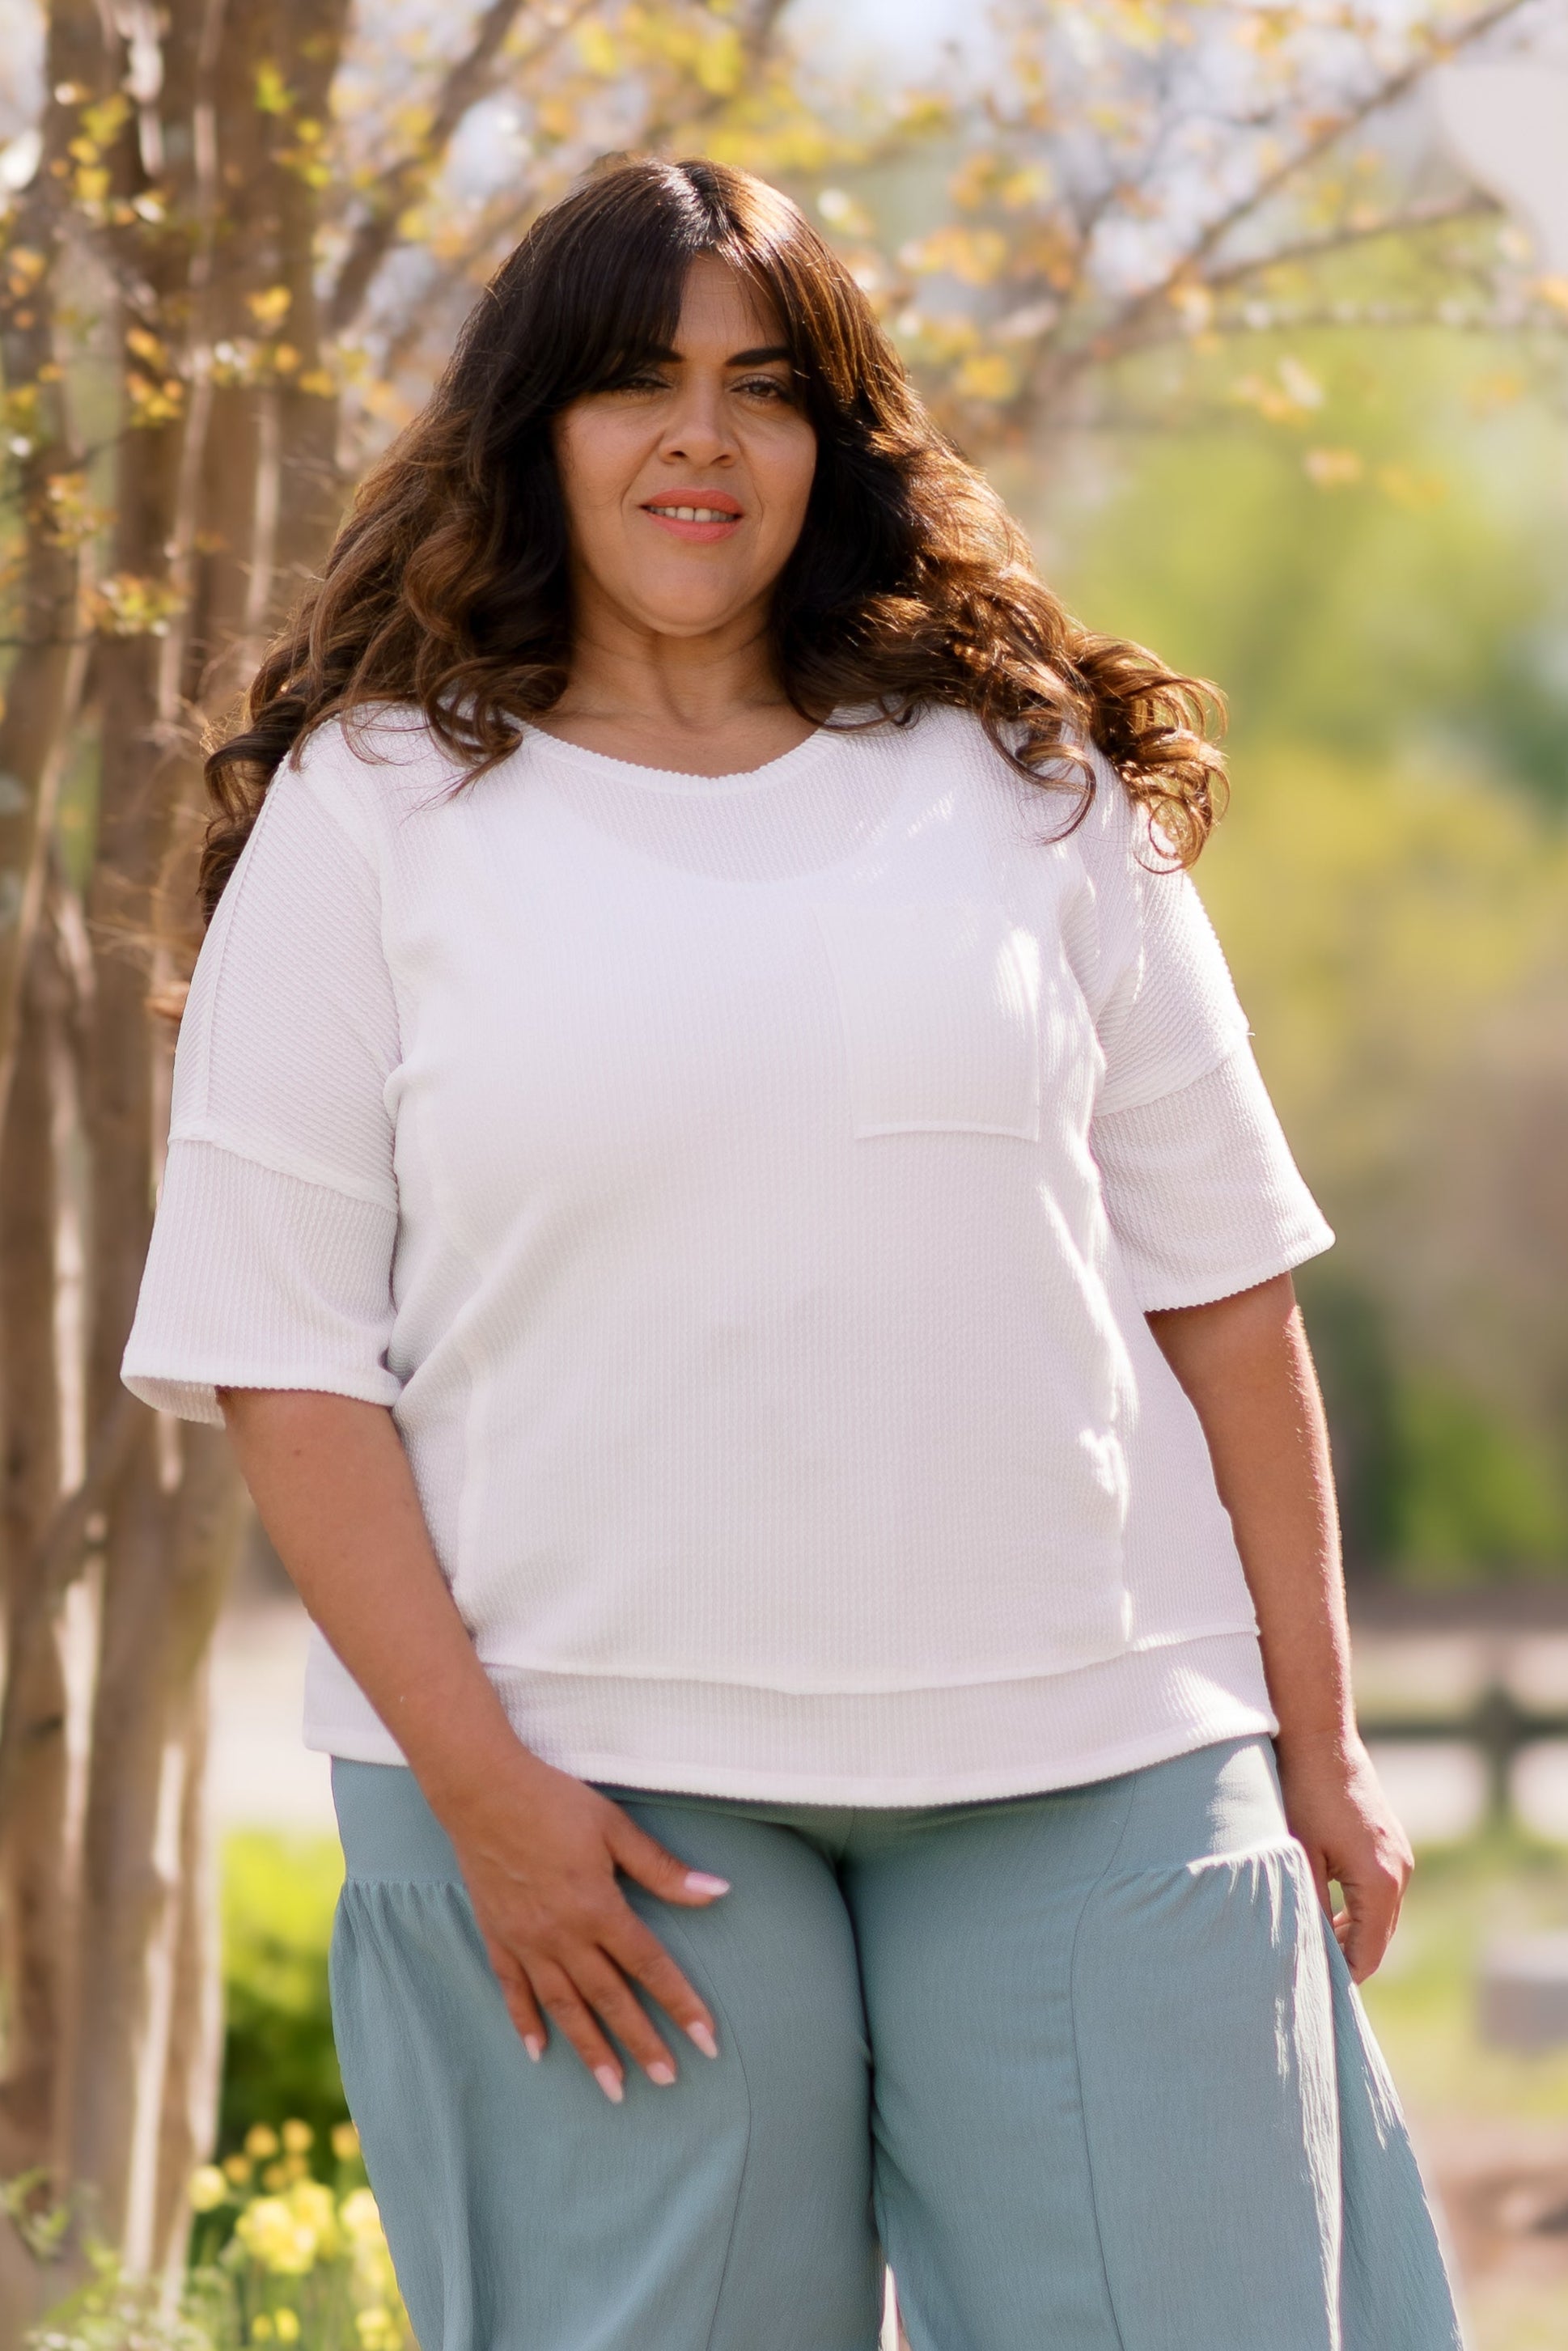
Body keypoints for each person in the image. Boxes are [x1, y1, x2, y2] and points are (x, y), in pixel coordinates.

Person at [123, 156, 1463, 2351]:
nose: (702, 439)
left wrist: (1317, 1744)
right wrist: (485, 1798)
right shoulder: (371, 813)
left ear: (833, 441)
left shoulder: (1028, 784)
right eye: (634, 382)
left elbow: (1225, 1283)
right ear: (531, 426)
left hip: (1096, 1749)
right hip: (579, 1785)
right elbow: (284, 1355)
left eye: (764, 388)